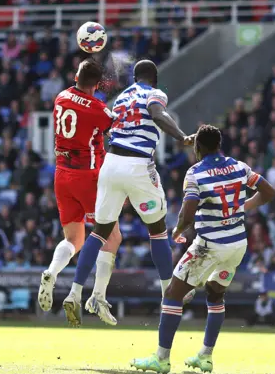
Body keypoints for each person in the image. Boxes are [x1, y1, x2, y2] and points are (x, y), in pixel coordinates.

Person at [130, 124, 275, 374]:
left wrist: (176, 232)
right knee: (215, 294)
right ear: (219, 144)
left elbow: (187, 213)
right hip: (237, 245)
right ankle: (205, 356)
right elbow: (268, 192)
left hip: (210, 245)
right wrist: (243, 208)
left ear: (198, 147)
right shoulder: (239, 166)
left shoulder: (196, 173)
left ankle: (161, 358)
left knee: (174, 294)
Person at [62, 59, 195, 327]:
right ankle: (168, 293)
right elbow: (158, 114)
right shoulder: (155, 93)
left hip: (110, 164)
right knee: (157, 230)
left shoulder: (121, 97)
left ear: (134, 78)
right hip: (137, 165)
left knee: (99, 231)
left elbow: (107, 126)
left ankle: (75, 292)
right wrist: (181, 137)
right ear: (154, 79)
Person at [38, 59, 122, 324]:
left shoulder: (61, 97)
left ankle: (52, 271)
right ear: (97, 85)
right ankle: (98, 296)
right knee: (112, 235)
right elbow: (117, 128)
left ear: (76, 76)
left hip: (61, 174)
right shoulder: (99, 109)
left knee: (74, 240)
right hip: (87, 176)